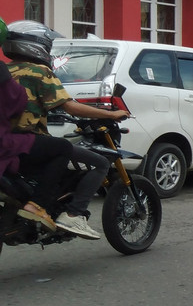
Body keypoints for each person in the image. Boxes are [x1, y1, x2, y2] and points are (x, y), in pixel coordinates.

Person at [3, 20, 126, 240]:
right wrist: (111, 114)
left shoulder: (7, 71)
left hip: (8, 142)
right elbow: (68, 105)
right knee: (99, 162)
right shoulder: (39, 71)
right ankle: (73, 215)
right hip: (28, 143)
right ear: (38, 45)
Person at [1, 53, 74, 232]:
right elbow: (15, 102)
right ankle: (37, 205)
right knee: (63, 148)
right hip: (5, 143)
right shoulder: (34, 72)